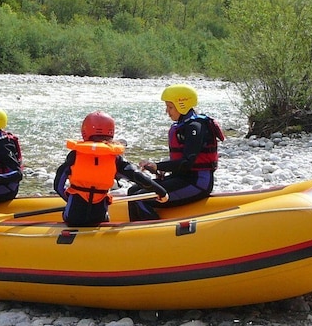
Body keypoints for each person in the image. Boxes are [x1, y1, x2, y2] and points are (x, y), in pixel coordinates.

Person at [128, 84, 224, 221]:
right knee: (132, 191)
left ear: (182, 105)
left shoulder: (196, 127)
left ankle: (154, 235)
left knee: (140, 198)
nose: (167, 111)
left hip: (197, 183)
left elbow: (187, 162)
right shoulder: (182, 126)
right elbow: (179, 163)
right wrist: (160, 170)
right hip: (181, 178)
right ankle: (134, 231)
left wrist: (158, 166)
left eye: (170, 107)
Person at [53, 111, 168, 227]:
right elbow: (136, 176)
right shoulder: (115, 158)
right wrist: (160, 191)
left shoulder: (75, 155)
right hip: (98, 216)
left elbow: (58, 185)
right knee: (103, 215)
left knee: (71, 212)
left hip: (74, 215)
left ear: (85, 131)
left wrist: (69, 198)